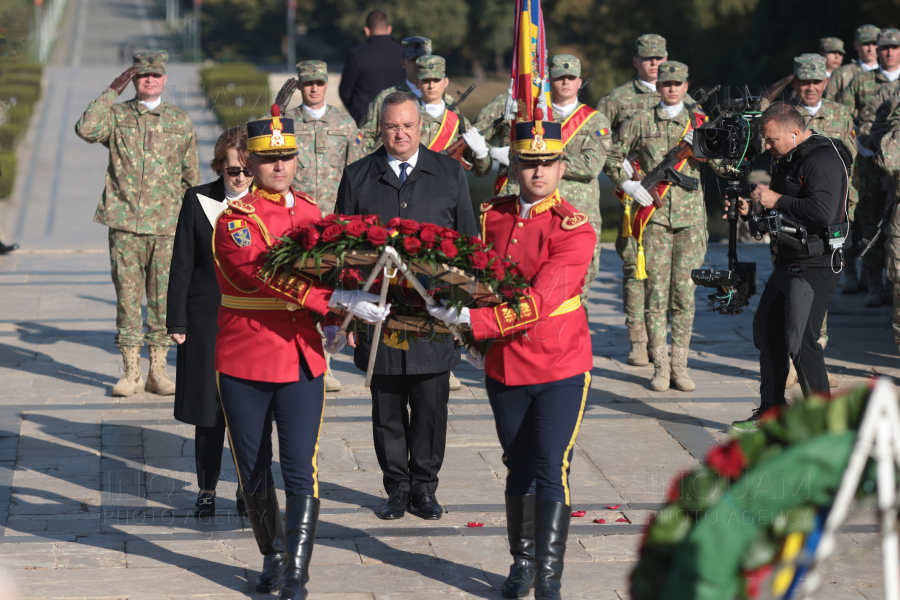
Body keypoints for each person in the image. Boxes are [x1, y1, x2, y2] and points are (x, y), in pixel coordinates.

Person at [213, 106, 389, 597]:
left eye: (286, 156)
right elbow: (263, 274)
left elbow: (330, 272)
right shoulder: (235, 221)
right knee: (252, 468)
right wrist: (332, 300)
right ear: (250, 162)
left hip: (300, 358)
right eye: (269, 158)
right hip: (246, 358)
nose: (279, 166)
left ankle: (296, 568)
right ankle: (272, 551)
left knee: (300, 465)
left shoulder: (312, 213)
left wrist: (339, 320)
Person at [427, 114, 595, 600]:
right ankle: (520, 563)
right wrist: (445, 296)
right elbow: (474, 275)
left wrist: (471, 324)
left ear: (562, 167)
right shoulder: (492, 214)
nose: (537, 172)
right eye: (527, 163)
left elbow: (539, 303)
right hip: (505, 366)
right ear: (514, 166)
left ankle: (548, 576)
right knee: (517, 464)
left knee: (550, 465)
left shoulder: (575, 229)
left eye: (547, 163)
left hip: (560, 363)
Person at [334, 91, 479, 521]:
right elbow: (343, 246)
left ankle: (425, 487)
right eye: (392, 126)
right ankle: (396, 487)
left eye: (408, 126)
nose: (400, 133)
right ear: (381, 128)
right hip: (379, 315)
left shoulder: (450, 174)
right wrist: (346, 307)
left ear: (422, 128)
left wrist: (464, 311)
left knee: (431, 406)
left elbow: (469, 247)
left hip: (432, 316)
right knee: (387, 407)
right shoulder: (359, 176)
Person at [75, 51, 200, 397]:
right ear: (133, 79)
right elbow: (85, 128)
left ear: (164, 79)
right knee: (128, 300)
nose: (149, 80)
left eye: (155, 75)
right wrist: (110, 91)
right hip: (126, 225)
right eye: (142, 75)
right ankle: (130, 372)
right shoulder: (116, 116)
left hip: (167, 227)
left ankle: (157, 371)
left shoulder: (179, 120)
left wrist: (195, 226)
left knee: (163, 301)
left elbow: (191, 177)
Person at [731, 103, 851, 432]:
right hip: (788, 259)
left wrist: (776, 199)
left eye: (771, 140)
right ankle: (772, 413)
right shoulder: (789, 158)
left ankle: (825, 428)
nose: (767, 146)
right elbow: (783, 214)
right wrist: (750, 210)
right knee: (767, 332)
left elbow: (823, 212)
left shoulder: (822, 158)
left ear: (794, 133)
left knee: (801, 342)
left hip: (816, 262)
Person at [607, 61, 707, 393]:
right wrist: (628, 184)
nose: (672, 88)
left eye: (678, 83)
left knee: (684, 294)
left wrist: (704, 148)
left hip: (691, 221)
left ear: (686, 84)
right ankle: (660, 365)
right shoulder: (640, 120)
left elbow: (724, 165)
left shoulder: (699, 122)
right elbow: (611, 156)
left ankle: (681, 365)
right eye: (666, 83)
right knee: (656, 293)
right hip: (654, 220)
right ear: (658, 86)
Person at [167, 127, 251, 518]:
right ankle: (206, 488)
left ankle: (247, 489)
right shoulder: (197, 199)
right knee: (208, 411)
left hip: (252, 322)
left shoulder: (267, 203)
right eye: (233, 170)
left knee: (248, 413)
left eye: (247, 170)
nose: (240, 178)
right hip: (205, 321)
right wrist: (176, 319)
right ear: (220, 166)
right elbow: (182, 263)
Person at [279, 59, 366, 392]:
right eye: (307, 83)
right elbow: (253, 143)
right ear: (300, 86)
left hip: (333, 222)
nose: (313, 88)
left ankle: (326, 362)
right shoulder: (286, 123)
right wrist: (278, 109)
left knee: (329, 292)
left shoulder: (344, 123)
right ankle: (301, 355)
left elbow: (355, 173)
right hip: (297, 221)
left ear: (326, 84)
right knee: (299, 290)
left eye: (318, 82)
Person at [596, 34, 676, 367]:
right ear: (636, 61)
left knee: (669, 272)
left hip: (671, 197)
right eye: (647, 58)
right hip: (634, 197)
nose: (654, 64)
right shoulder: (617, 99)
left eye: (659, 58)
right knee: (634, 268)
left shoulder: (677, 94)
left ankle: (663, 334)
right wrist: (625, 175)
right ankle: (638, 339)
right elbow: (597, 140)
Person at [839, 28, 900, 307]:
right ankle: (875, 285)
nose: (887, 51)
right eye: (883, 47)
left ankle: (893, 286)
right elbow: (846, 116)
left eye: (893, 47)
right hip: (871, 164)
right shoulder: (862, 81)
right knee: (873, 222)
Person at [546, 55, 612, 308]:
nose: (565, 82)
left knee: (579, 288)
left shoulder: (595, 120)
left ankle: (576, 347)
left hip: (580, 215)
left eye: (570, 77)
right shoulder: (537, 117)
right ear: (550, 81)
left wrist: (549, 160)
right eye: (559, 77)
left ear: (579, 82)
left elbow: (591, 166)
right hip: (544, 213)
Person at [358, 37, 455, 154]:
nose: (418, 64)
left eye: (423, 59)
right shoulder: (386, 97)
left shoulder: (447, 101)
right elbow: (366, 135)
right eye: (413, 59)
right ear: (403, 62)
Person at [414, 55, 491, 177]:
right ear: (416, 83)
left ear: (445, 82)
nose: (431, 85)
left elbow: (481, 172)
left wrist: (481, 152)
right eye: (426, 80)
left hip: (449, 191)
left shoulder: (460, 122)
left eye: (436, 80)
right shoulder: (406, 118)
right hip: (413, 190)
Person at [338, 10, 406, 125]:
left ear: (367, 30)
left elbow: (345, 92)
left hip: (365, 122)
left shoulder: (356, 54)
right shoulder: (404, 52)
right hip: (399, 122)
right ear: (389, 29)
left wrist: (358, 115)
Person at [824, 25, 881, 102]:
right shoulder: (841, 74)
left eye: (874, 44)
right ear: (856, 45)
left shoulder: (888, 74)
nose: (870, 49)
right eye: (866, 43)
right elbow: (827, 104)